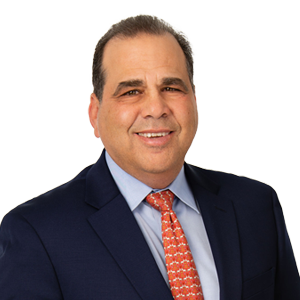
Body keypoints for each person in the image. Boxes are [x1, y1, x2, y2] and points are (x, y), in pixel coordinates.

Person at [0, 14, 299, 300]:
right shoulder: (36, 233)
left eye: (171, 87)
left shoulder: (256, 206)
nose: (156, 108)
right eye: (131, 91)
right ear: (95, 113)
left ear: (194, 101)